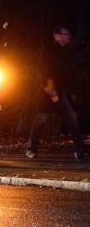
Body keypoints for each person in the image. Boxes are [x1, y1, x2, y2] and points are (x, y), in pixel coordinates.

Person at [25, 26, 87, 160]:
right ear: (57, 35)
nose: (68, 36)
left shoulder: (68, 52)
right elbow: (44, 70)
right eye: (65, 34)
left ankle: (79, 150)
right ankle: (31, 148)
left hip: (62, 90)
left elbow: (70, 73)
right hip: (49, 90)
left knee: (71, 119)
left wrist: (72, 91)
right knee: (41, 119)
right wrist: (48, 86)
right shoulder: (48, 50)